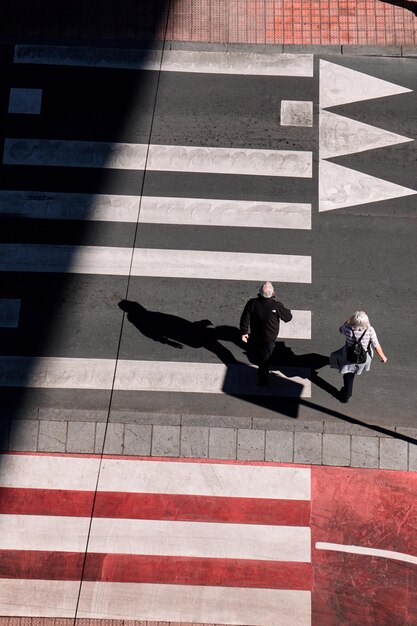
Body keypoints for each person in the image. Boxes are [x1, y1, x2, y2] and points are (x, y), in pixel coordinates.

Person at [240, 282, 293, 385]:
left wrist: (244, 332)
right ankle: (262, 377)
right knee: (265, 357)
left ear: (259, 292)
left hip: (256, 335)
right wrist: (287, 310)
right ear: (273, 293)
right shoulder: (277, 305)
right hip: (270, 337)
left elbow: (245, 318)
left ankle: (261, 364)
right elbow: (288, 318)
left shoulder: (252, 303)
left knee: (260, 351)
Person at [330, 310, 388, 403]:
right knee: (354, 371)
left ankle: (346, 396)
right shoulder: (370, 330)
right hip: (362, 357)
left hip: (349, 356)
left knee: (348, 375)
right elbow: (376, 345)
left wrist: (348, 321)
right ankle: (354, 375)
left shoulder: (347, 328)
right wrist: (383, 356)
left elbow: (340, 330)